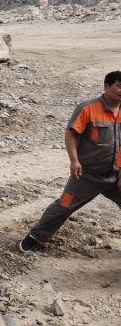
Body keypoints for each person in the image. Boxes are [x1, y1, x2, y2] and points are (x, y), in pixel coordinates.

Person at [19, 70, 121, 252]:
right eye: (119, 86)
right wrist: (74, 161)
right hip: (87, 175)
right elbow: (71, 134)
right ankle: (35, 237)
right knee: (64, 205)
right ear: (106, 86)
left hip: (115, 174)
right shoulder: (88, 108)